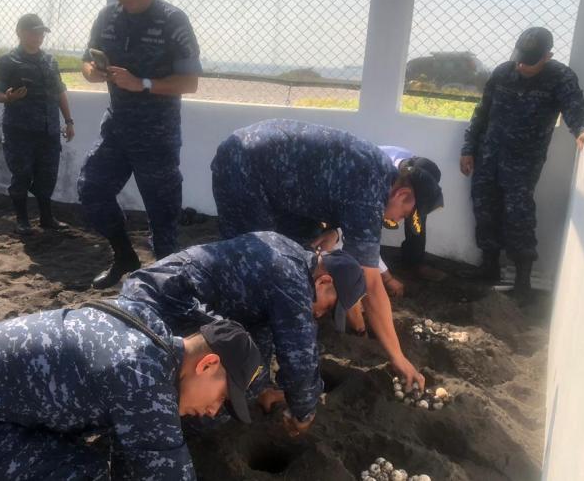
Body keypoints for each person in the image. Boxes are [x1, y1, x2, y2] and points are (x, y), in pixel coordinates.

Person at [0, 304, 262, 481]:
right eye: (223, 398)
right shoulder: (140, 379)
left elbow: (134, 456)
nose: (214, 412)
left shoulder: (148, 336)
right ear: (208, 364)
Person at [211, 119, 444, 389]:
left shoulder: (380, 174)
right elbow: (371, 283)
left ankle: (284, 332)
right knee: (255, 268)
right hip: (244, 166)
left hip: (277, 177)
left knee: (303, 250)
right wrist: (398, 357)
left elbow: (331, 188)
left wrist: (334, 230)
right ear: (403, 194)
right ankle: (243, 369)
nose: (398, 220)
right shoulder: (369, 193)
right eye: (404, 214)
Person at [119, 231, 367, 437]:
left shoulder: (291, 253)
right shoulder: (291, 282)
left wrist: (273, 387)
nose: (323, 313)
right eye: (330, 306)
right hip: (158, 309)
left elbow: (271, 335)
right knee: (234, 386)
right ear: (323, 282)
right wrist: (304, 412)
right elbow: (299, 357)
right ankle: (166, 425)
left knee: (254, 363)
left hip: (160, 291)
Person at [77, 0, 202, 289]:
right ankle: (124, 256)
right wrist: (93, 72)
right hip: (117, 128)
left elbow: (190, 82)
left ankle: (167, 284)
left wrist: (143, 83)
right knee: (91, 189)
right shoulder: (107, 17)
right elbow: (86, 61)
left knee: (162, 216)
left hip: (156, 134)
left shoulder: (173, 20)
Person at [460, 27, 584, 295]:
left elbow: (574, 107)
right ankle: (489, 266)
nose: (522, 66)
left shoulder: (560, 78)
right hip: (489, 156)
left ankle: (522, 283)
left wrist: (582, 131)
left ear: (547, 56)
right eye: (520, 58)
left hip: (523, 163)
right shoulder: (502, 72)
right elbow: (482, 112)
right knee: (484, 208)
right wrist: (468, 148)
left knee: (519, 216)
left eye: (529, 62)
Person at [0, 14, 74, 235]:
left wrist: (68, 120)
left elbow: (59, 92)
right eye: (33, 32)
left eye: (41, 33)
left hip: (49, 129)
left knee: (47, 175)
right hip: (20, 131)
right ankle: (22, 220)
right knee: (22, 174)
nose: (38, 37)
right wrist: (8, 97)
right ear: (20, 32)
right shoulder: (7, 61)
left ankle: (47, 218)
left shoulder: (50, 61)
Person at [328, 145, 447, 298]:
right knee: (362, 236)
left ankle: (414, 262)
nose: (400, 220)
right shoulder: (374, 185)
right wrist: (387, 277)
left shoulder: (410, 173)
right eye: (403, 215)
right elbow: (363, 235)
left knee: (414, 219)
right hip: (343, 203)